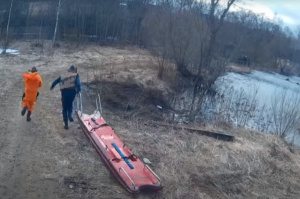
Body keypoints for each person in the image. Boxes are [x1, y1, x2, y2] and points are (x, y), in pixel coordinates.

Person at [50, 65, 81, 130]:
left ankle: (66, 125)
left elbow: (56, 81)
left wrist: (52, 86)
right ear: (74, 70)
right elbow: (78, 84)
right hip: (72, 92)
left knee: (64, 108)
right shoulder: (76, 75)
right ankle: (70, 115)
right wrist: (78, 92)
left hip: (64, 93)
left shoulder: (63, 75)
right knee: (70, 104)